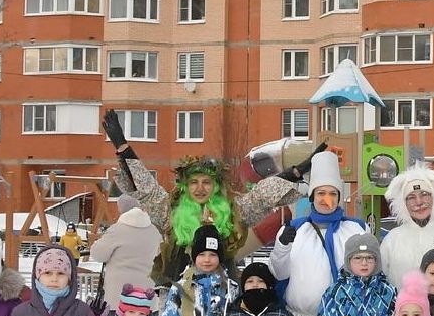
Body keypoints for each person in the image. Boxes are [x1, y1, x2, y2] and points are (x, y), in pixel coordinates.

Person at [105, 117, 314, 282]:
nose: (200, 188)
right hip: (178, 294)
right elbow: (146, 188)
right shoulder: (170, 210)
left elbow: (261, 197)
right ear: (185, 186)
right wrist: (123, 148)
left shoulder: (232, 210)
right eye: (194, 182)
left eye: (206, 182)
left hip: (222, 292)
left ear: (215, 186)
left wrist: (292, 173)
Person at [269, 151, 366, 316]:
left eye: (332, 193)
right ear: (312, 197)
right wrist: (282, 246)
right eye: (321, 193)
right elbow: (279, 274)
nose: (326, 199)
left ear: (339, 197)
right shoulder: (294, 230)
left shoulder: (357, 229)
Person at [312, 233, 396, 316]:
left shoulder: (389, 292)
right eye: (358, 258)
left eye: (369, 258)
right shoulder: (334, 292)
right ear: (348, 260)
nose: (364, 263)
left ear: (377, 261)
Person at [159, 226, 233, 316]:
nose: (207, 259)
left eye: (212, 254)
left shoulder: (230, 289)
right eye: (202, 254)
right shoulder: (180, 288)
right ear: (194, 257)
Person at [87, 195, 162, 312]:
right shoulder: (154, 231)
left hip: (119, 296)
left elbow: (98, 254)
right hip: (147, 295)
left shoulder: (117, 230)